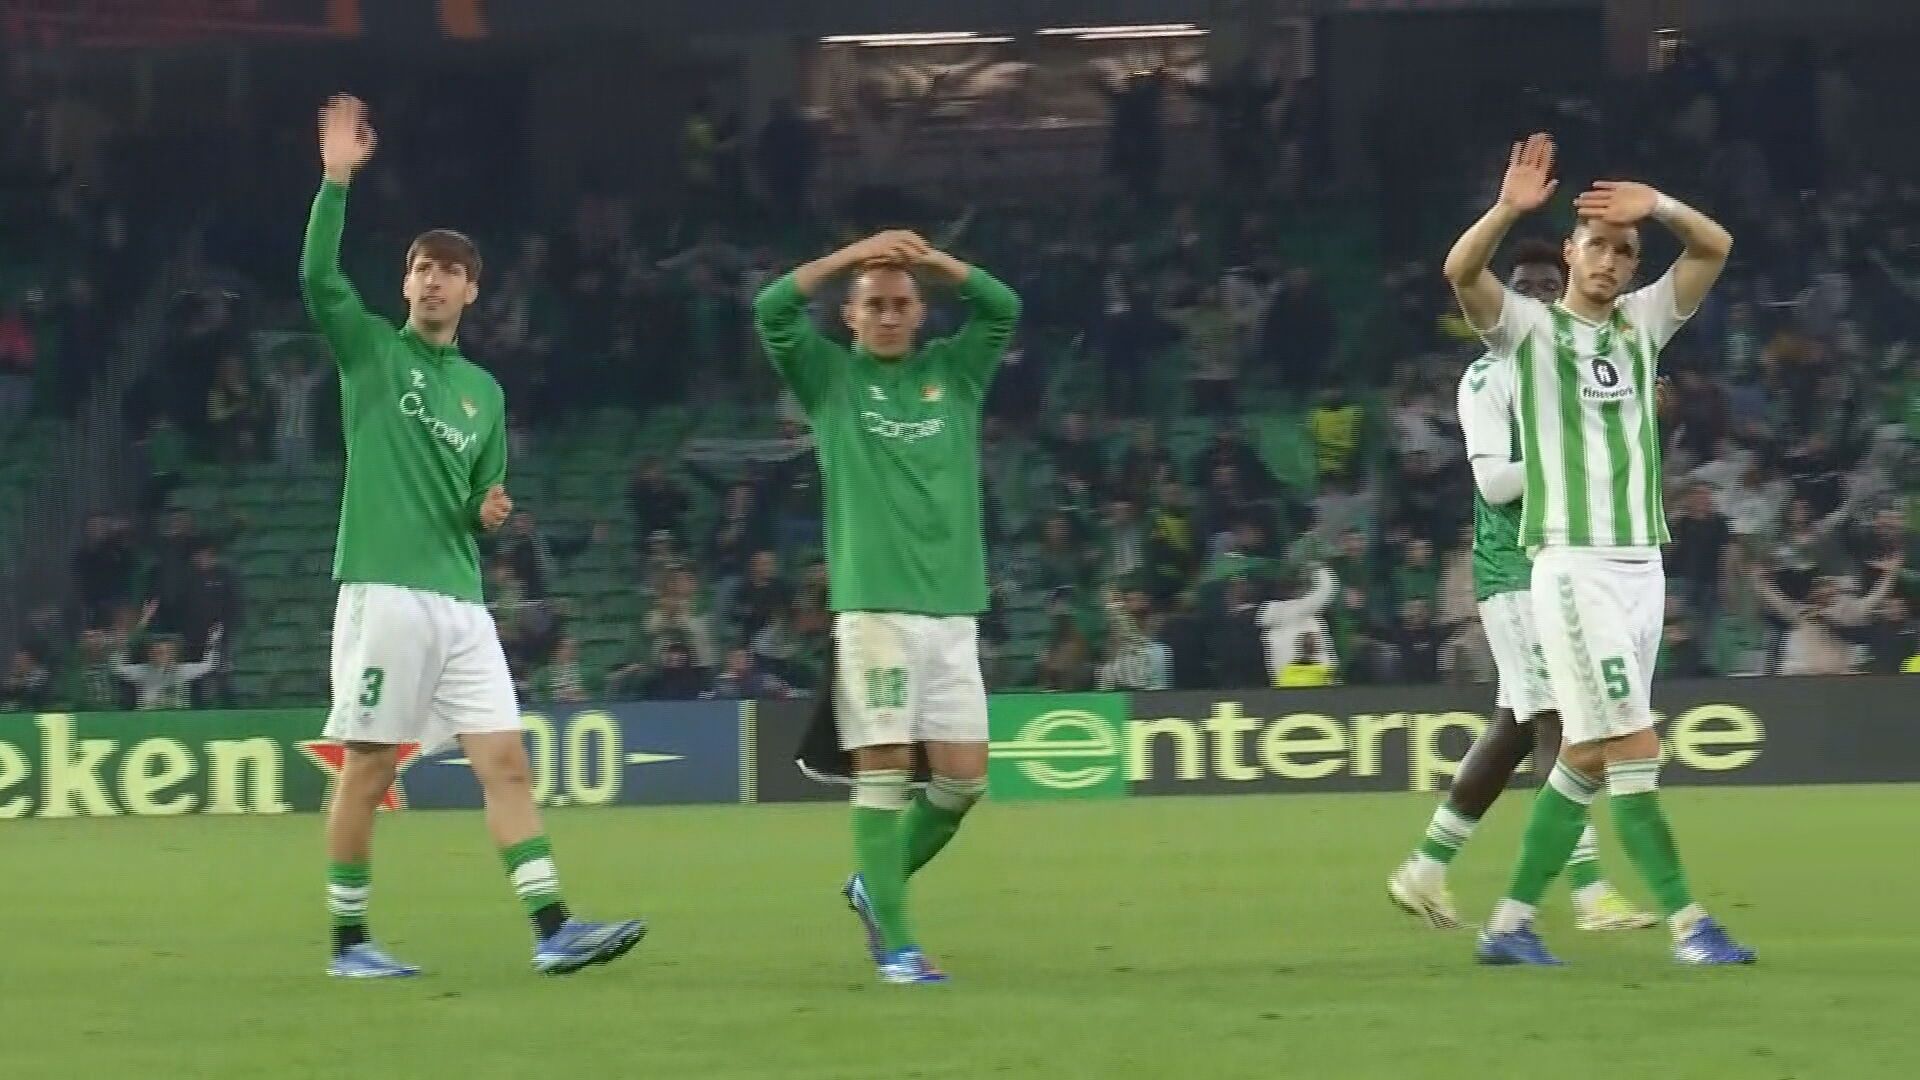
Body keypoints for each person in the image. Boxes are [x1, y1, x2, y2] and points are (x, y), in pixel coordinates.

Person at [302, 94, 643, 980]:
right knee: (370, 771)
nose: (433, 281)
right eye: (422, 268)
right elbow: (317, 277)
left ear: (472, 291)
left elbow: (477, 500)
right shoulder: (371, 353)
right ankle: (348, 944)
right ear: (405, 284)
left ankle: (553, 929)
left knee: (507, 764)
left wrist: (483, 516)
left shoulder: (484, 394)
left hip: (461, 601)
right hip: (385, 590)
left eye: (450, 271)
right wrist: (337, 179)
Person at [1443, 133, 1753, 965]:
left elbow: (1714, 247)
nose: (1611, 261)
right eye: (1599, 246)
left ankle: (1509, 926)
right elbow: (1462, 273)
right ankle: (1691, 925)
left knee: (1584, 757)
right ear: (1571, 252)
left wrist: (1660, 205)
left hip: (1642, 568)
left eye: (1625, 252)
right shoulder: (1529, 332)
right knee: (1635, 745)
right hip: (1574, 568)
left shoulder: (1642, 326)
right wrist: (1506, 210)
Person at [758, 229, 1019, 985]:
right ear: (850, 315)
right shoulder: (829, 381)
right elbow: (772, 309)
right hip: (874, 611)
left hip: (953, 610)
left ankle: (876, 884)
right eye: (874, 304)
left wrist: (937, 263)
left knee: (962, 782)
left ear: (921, 312)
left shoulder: (953, 375)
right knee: (887, 771)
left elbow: (1002, 308)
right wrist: (853, 254)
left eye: (903, 303)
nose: (890, 315)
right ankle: (898, 948)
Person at [1389, 239, 1655, 934]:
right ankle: (1590, 891)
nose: (1536, 295)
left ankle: (1425, 868)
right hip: (1516, 571)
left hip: (1567, 565)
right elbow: (1494, 483)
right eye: (1524, 286)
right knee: (1560, 722)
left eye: (1546, 283)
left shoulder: (1578, 369)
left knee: (1514, 729)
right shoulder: (1489, 376)